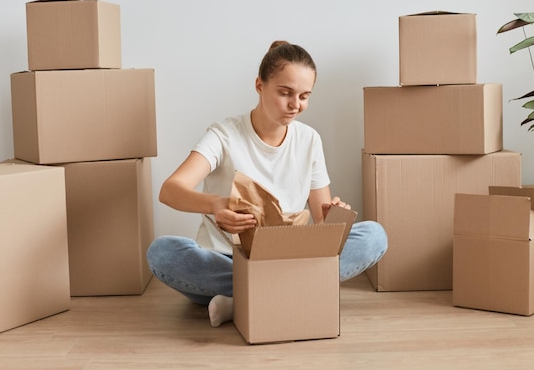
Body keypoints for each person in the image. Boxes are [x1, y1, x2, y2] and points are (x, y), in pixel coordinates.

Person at [147, 40, 388, 327]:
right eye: (285, 93)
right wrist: (217, 205)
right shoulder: (224, 135)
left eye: (304, 96)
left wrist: (334, 213)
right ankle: (284, 294)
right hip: (229, 259)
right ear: (259, 85)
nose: (295, 105)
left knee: (374, 235)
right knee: (162, 252)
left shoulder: (309, 139)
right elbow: (170, 190)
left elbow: (322, 220)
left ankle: (242, 302)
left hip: (287, 256)